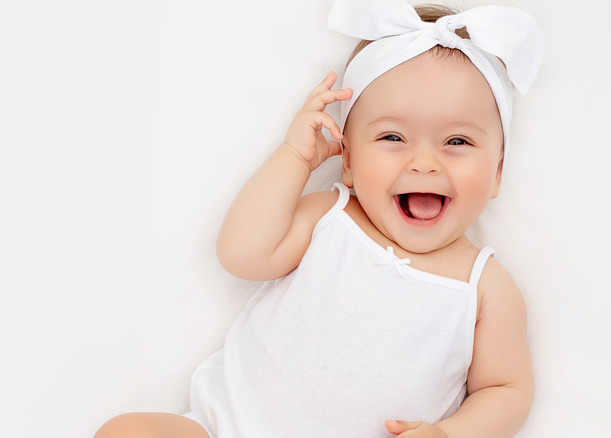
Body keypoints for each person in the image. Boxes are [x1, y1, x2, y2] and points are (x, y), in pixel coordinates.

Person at [94, 0, 543, 437]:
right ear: (346, 159)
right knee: (126, 431)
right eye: (392, 136)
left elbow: (505, 390)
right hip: (224, 427)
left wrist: (448, 434)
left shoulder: (485, 288)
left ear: (497, 173)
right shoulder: (330, 217)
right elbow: (241, 255)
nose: (424, 163)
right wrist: (295, 157)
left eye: (458, 142)